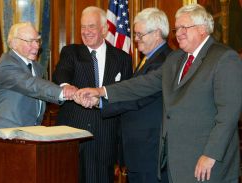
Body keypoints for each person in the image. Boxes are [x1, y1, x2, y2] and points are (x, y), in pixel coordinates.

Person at [76, 4, 242, 183]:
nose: (178, 33)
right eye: (176, 28)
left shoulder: (224, 58)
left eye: (184, 28)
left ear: (202, 29)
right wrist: (101, 91)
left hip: (207, 161)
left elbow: (228, 115)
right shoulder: (176, 59)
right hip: (176, 161)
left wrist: (211, 155)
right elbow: (142, 84)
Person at [52, 6, 132, 183]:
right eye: (83, 27)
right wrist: (68, 87)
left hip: (106, 138)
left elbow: (126, 97)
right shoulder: (71, 52)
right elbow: (61, 73)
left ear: (104, 29)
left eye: (91, 26)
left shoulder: (123, 59)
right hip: (73, 136)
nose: (86, 32)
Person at [101, 8, 171, 183]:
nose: (136, 39)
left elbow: (138, 97)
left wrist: (100, 101)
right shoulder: (148, 59)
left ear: (157, 34)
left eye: (140, 35)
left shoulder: (165, 61)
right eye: (136, 34)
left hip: (150, 152)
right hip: (139, 150)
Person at [0, 22, 76, 130]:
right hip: (4, 135)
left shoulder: (38, 68)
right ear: (14, 43)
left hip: (29, 134)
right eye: (30, 41)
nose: (37, 46)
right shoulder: (6, 64)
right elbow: (32, 85)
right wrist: (64, 92)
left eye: (37, 40)